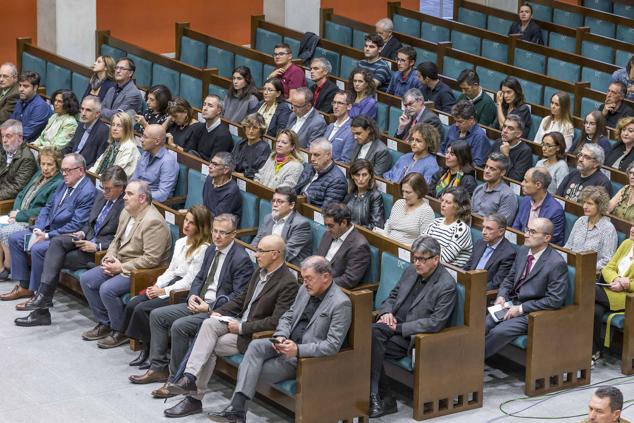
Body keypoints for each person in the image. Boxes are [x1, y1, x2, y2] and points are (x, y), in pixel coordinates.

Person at [163, 235, 299, 418]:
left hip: (254, 335)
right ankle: (190, 378)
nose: (256, 254)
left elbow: (276, 321)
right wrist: (215, 311)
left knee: (206, 345)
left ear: (275, 254)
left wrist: (242, 328)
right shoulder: (259, 272)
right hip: (237, 324)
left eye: (260, 251)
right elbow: (240, 299)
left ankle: (193, 397)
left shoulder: (288, 282)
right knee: (209, 323)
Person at [208, 255, 351, 423]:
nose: (305, 283)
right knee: (255, 346)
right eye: (303, 279)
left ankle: (237, 411)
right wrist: (280, 335)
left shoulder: (341, 304)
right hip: (283, 344)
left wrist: (297, 350)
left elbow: (332, 345)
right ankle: (238, 411)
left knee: (250, 371)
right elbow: (288, 316)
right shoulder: (304, 291)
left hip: (303, 359)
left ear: (325, 277)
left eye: (309, 278)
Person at [128, 214, 253, 386]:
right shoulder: (211, 249)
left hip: (216, 311)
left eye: (223, 232)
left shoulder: (241, 259)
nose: (217, 236)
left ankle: (175, 379)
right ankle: (158, 368)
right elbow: (199, 278)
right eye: (215, 231)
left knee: (180, 326)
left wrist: (208, 308)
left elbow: (238, 297)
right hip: (197, 302)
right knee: (157, 315)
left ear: (234, 234)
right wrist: (193, 295)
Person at [14, 166, 126, 326]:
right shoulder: (102, 197)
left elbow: (120, 238)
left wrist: (98, 246)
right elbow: (89, 223)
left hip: (97, 251)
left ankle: (42, 307)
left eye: (108, 189)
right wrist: (81, 233)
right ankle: (42, 301)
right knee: (57, 242)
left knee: (54, 256)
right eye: (102, 187)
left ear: (121, 187)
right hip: (84, 239)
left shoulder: (125, 206)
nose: (104, 192)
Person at [368, 235, 456, 418]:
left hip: (410, 337)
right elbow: (392, 296)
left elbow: (435, 322)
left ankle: (379, 396)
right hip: (391, 325)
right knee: (367, 337)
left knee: (368, 343)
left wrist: (399, 328)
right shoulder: (410, 271)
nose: (417, 263)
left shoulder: (446, 285)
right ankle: (379, 396)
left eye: (422, 259)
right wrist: (386, 313)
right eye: (414, 258)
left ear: (435, 259)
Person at [79, 180, 171, 348]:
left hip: (142, 272)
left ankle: (120, 331)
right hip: (119, 262)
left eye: (129, 194)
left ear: (142, 198)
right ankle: (105, 323)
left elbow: (152, 259)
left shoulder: (153, 222)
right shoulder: (126, 212)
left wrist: (121, 267)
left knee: (107, 289)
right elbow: (116, 239)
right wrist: (110, 256)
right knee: (87, 279)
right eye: (125, 193)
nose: (125, 197)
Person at [120, 205, 211, 363]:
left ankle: (150, 352)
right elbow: (171, 270)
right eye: (186, 220)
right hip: (169, 284)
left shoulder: (203, 249)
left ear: (200, 227)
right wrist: (157, 285)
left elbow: (190, 280)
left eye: (192, 223)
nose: (186, 225)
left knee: (142, 309)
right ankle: (146, 348)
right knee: (133, 303)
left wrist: (164, 291)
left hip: (182, 292)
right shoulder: (181, 242)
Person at [0, 153, 96, 302]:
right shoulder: (64, 183)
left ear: (81, 170)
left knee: (38, 249)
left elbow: (76, 224)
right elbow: (47, 207)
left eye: (68, 170)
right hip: (46, 229)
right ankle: (24, 286)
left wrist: (47, 236)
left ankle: (39, 295)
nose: (64, 174)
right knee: (15, 239)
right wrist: (38, 228)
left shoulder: (87, 191)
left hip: (63, 237)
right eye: (62, 170)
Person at [485, 217, 567, 358]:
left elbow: (555, 300)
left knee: (499, 332)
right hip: (511, 303)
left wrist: (521, 309)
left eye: (533, 232)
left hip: (532, 312)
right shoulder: (523, 251)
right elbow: (510, 278)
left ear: (547, 237)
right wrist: (501, 296)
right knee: (482, 324)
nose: (526, 235)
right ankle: (467, 361)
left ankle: (469, 365)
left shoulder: (556, 263)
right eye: (527, 230)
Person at [0, 147, 61, 280]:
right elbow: (21, 194)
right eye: (43, 163)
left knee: (4, 231)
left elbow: (45, 210)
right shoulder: (39, 174)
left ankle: (8, 267)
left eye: (49, 164)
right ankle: (1, 269)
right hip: (18, 215)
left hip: (31, 221)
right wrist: (14, 212)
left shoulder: (58, 183)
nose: (45, 167)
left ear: (57, 165)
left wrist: (19, 216)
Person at [593, 227, 634, 363]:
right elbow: (608, 267)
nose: (632, 229)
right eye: (633, 225)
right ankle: (595, 350)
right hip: (610, 288)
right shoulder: (627, 243)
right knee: (595, 310)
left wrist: (626, 284)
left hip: (628, 297)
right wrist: (616, 279)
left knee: (587, 291)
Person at [251, 187, 312, 266]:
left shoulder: (301, 224)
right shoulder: (268, 218)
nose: (275, 205)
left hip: (288, 267)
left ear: (291, 205)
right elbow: (257, 240)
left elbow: (287, 253)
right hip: (265, 260)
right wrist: (251, 254)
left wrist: (262, 258)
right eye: (273, 201)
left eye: (280, 202)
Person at [316, 203, 371, 289]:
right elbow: (318, 259)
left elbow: (349, 280)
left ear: (344, 222)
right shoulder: (328, 234)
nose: (327, 229)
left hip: (332, 290)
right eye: (325, 225)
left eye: (331, 225)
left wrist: (321, 284)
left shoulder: (359, 246)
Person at [564, 186, 617, 271]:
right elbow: (568, 247)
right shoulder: (580, 221)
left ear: (600, 206)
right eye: (584, 202)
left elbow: (607, 261)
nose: (584, 206)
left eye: (589, 203)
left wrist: (586, 268)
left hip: (589, 274)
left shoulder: (608, 229)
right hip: (569, 268)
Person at [512, 167, 565, 245]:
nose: (522, 183)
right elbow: (516, 227)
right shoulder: (526, 200)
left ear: (538, 185)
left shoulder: (555, 211)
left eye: (526, 181)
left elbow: (551, 242)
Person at [464, 213, 516, 290]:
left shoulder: (508, 254)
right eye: (483, 227)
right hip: (468, 284)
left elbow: (496, 283)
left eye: (489, 228)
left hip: (483, 292)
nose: (483, 232)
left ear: (501, 232)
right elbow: (468, 266)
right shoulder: (480, 243)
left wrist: (475, 290)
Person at [424, 187, 473, 267]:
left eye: (448, 202)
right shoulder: (436, 222)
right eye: (442, 200)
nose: (443, 204)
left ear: (458, 207)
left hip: (446, 272)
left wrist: (424, 253)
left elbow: (444, 258)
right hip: (428, 265)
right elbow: (419, 244)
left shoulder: (462, 229)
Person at [381, 172, 435, 246]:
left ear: (419, 191)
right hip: (388, 246)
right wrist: (384, 238)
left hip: (408, 252)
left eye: (408, 192)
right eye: (403, 191)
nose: (404, 196)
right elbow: (388, 224)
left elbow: (424, 243)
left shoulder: (426, 212)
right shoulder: (399, 203)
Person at [294, 139, 348, 207]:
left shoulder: (337, 180)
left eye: (316, 155)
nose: (312, 159)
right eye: (311, 154)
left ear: (328, 155)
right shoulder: (309, 167)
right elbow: (295, 191)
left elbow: (326, 212)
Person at [133, 124, 179, 202]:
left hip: (151, 203)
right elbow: (134, 179)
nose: (141, 139)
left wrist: (139, 196)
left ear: (157, 141)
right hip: (136, 197)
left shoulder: (167, 161)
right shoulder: (145, 154)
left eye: (145, 137)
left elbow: (163, 194)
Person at [62, 96, 110, 167]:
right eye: (82, 109)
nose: (83, 113)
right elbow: (70, 147)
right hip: (70, 163)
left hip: (83, 170)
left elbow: (98, 161)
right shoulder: (81, 124)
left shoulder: (103, 131)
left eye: (88, 110)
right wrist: (57, 156)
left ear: (97, 114)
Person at [472, 152, 518, 224]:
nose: (486, 171)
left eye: (492, 169)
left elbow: (501, 225)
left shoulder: (508, 196)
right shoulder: (479, 188)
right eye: (486, 167)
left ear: (502, 173)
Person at [89, 111, 140, 177]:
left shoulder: (130, 148)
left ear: (127, 129)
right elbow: (98, 164)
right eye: (113, 125)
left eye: (119, 126)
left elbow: (116, 174)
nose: (114, 128)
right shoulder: (113, 145)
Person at [442, 100, 491, 167]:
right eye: (455, 121)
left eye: (460, 122)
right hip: (446, 167)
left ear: (471, 119)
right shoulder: (453, 128)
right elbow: (443, 148)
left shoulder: (480, 137)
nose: (456, 124)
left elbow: (477, 164)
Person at [188, 95, 234, 161]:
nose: (205, 108)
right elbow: (189, 151)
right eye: (204, 104)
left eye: (210, 106)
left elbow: (214, 164)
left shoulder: (223, 136)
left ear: (219, 111)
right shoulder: (198, 127)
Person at [0, 119, 37, 200]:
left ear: (20, 137)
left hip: (7, 201)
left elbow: (16, 188)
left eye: (8, 136)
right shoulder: (3, 151)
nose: (4, 140)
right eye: (2, 136)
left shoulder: (27, 158)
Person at [10, 71, 52, 141]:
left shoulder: (41, 107)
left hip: (30, 146)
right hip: (15, 140)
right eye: (20, 85)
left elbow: (27, 133)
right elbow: (11, 123)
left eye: (25, 86)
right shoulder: (20, 101)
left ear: (35, 88)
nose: (21, 89)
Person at [491, 114, 533, 181]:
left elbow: (514, 179)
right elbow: (486, 165)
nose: (505, 130)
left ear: (518, 134)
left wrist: (506, 156)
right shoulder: (498, 142)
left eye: (510, 128)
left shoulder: (525, 151)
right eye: (504, 126)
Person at [345, 159, 385, 230]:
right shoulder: (349, 191)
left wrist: (352, 229)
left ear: (370, 176)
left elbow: (377, 226)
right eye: (357, 175)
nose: (360, 179)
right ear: (352, 176)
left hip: (361, 236)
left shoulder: (375, 196)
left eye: (364, 175)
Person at [202, 152, 242, 220]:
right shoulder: (209, 179)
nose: (210, 166)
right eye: (211, 162)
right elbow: (205, 206)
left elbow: (217, 217)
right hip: (206, 221)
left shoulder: (232, 191)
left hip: (221, 226)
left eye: (215, 164)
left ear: (225, 170)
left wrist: (196, 215)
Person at [231, 113, 271, 179]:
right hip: (233, 176)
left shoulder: (264, 148)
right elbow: (231, 161)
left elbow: (257, 173)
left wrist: (235, 174)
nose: (251, 131)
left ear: (261, 130)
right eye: (248, 127)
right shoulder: (241, 143)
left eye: (255, 128)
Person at [323, 90, 355, 162]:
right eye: (334, 102)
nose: (335, 106)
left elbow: (345, 161)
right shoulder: (330, 126)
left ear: (349, 106)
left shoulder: (352, 130)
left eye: (340, 103)